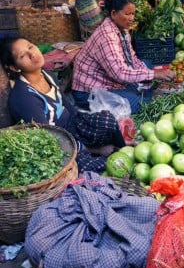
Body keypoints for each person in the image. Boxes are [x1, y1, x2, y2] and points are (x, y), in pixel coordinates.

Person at [0, 37, 126, 173]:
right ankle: (98, 152)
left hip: (72, 127)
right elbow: (49, 139)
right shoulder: (23, 98)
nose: (32, 54)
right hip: (60, 144)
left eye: (30, 46)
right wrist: (92, 148)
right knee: (90, 166)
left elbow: (70, 109)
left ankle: (123, 148)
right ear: (14, 67)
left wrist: (88, 125)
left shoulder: (48, 75)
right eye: (23, 55)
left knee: (106, 120)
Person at [71, 0, 175, 114]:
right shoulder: (107, 37)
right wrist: (153, 74)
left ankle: (140, 90)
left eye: (133, 14)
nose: (131, 18)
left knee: (146, 64)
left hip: (109, 80)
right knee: (141, 104)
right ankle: (141, 93)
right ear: (114, 14)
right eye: (127, 14)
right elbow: (120, 73)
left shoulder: (123, 31)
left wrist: (150, 73)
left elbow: (132, 58)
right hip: (88, 93)